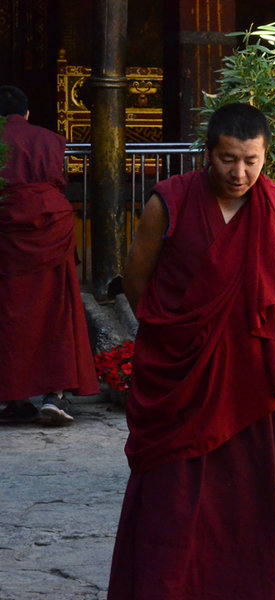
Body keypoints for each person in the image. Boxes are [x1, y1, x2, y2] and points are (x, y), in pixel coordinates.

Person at [107, 103, 275, 600]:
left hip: (247, 379)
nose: (239, 172)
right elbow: (137, 279)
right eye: (227, 159)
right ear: (208, 153)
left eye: (250, 160)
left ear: (266, 157)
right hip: (180, 373)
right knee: (170, 493)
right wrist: (172, 334)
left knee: (242, 495)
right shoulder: (170, 202)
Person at [0, 85, 98, 425]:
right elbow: (57, 179)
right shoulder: (48, 138)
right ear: (27, 114)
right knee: (56, 309)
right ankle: (54, 394)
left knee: (10, 312)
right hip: (50, 227)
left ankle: (13, 395)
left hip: (7, 230)